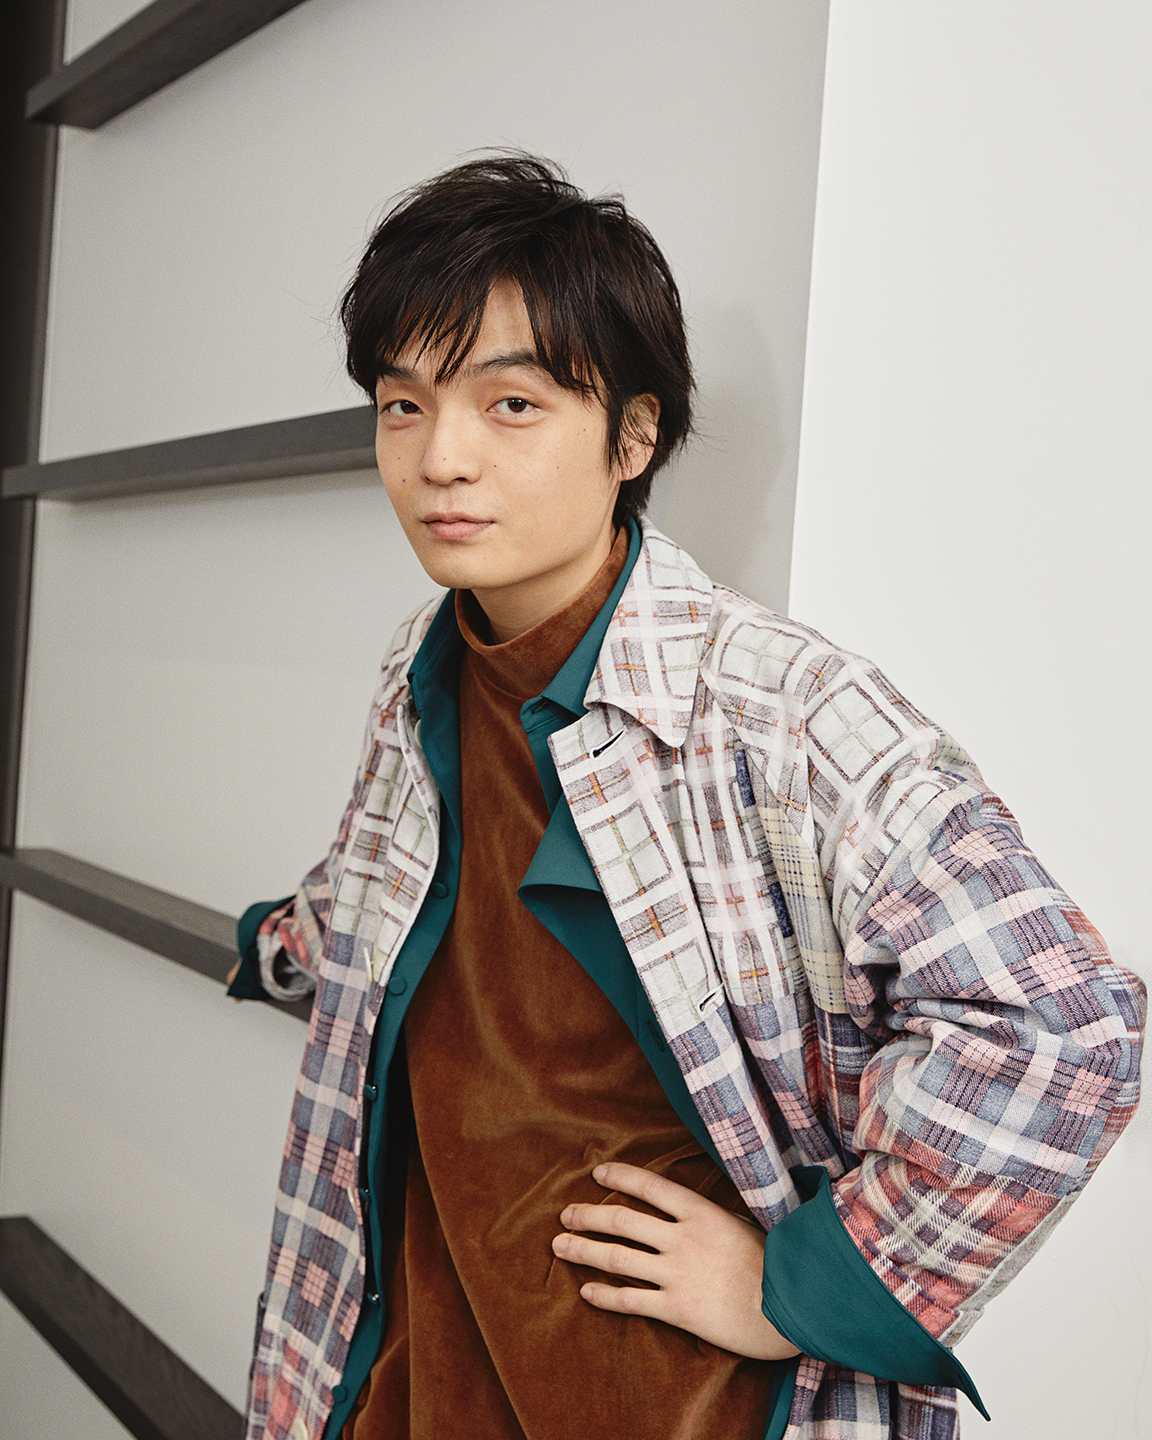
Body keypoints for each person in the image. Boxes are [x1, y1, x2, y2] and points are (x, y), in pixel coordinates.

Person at [227, 154, 1145, 1440]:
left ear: (634, 435)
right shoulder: (419, 669)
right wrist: (280, 943)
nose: (441, 458)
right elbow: (401, 878)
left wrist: (800, 1287)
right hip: (418, 1349)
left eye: (510, 404)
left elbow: (1066, 1026)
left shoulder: (782, 709)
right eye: (402, 405)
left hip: (664, 1393)